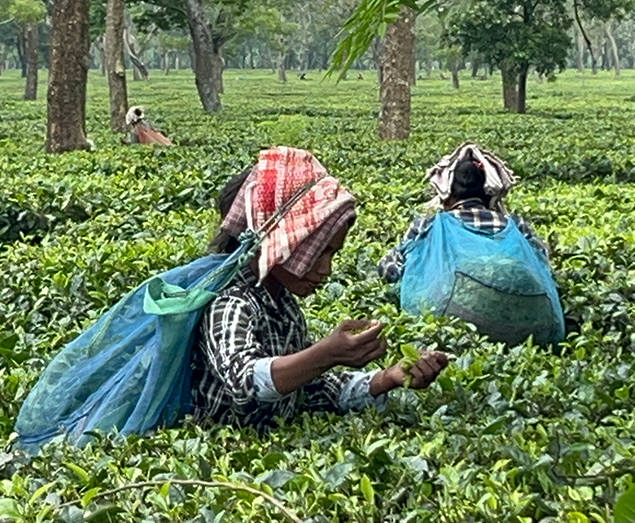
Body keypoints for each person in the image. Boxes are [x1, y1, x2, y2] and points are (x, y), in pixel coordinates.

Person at [192, 146, 449, 429]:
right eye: (318, 252)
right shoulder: (231, 302)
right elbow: (244, 381)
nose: (326, 268)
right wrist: (325, 354)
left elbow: (307, 389)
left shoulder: (283, 305)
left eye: (332, 254)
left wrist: (388, 378)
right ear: (280, 242)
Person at [378, 142, 548, 283]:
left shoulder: (427, 225)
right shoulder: (514, 225)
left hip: (445, 314)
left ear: (448, 195)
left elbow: (389, 269)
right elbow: (542, 263)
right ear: (487, 194)